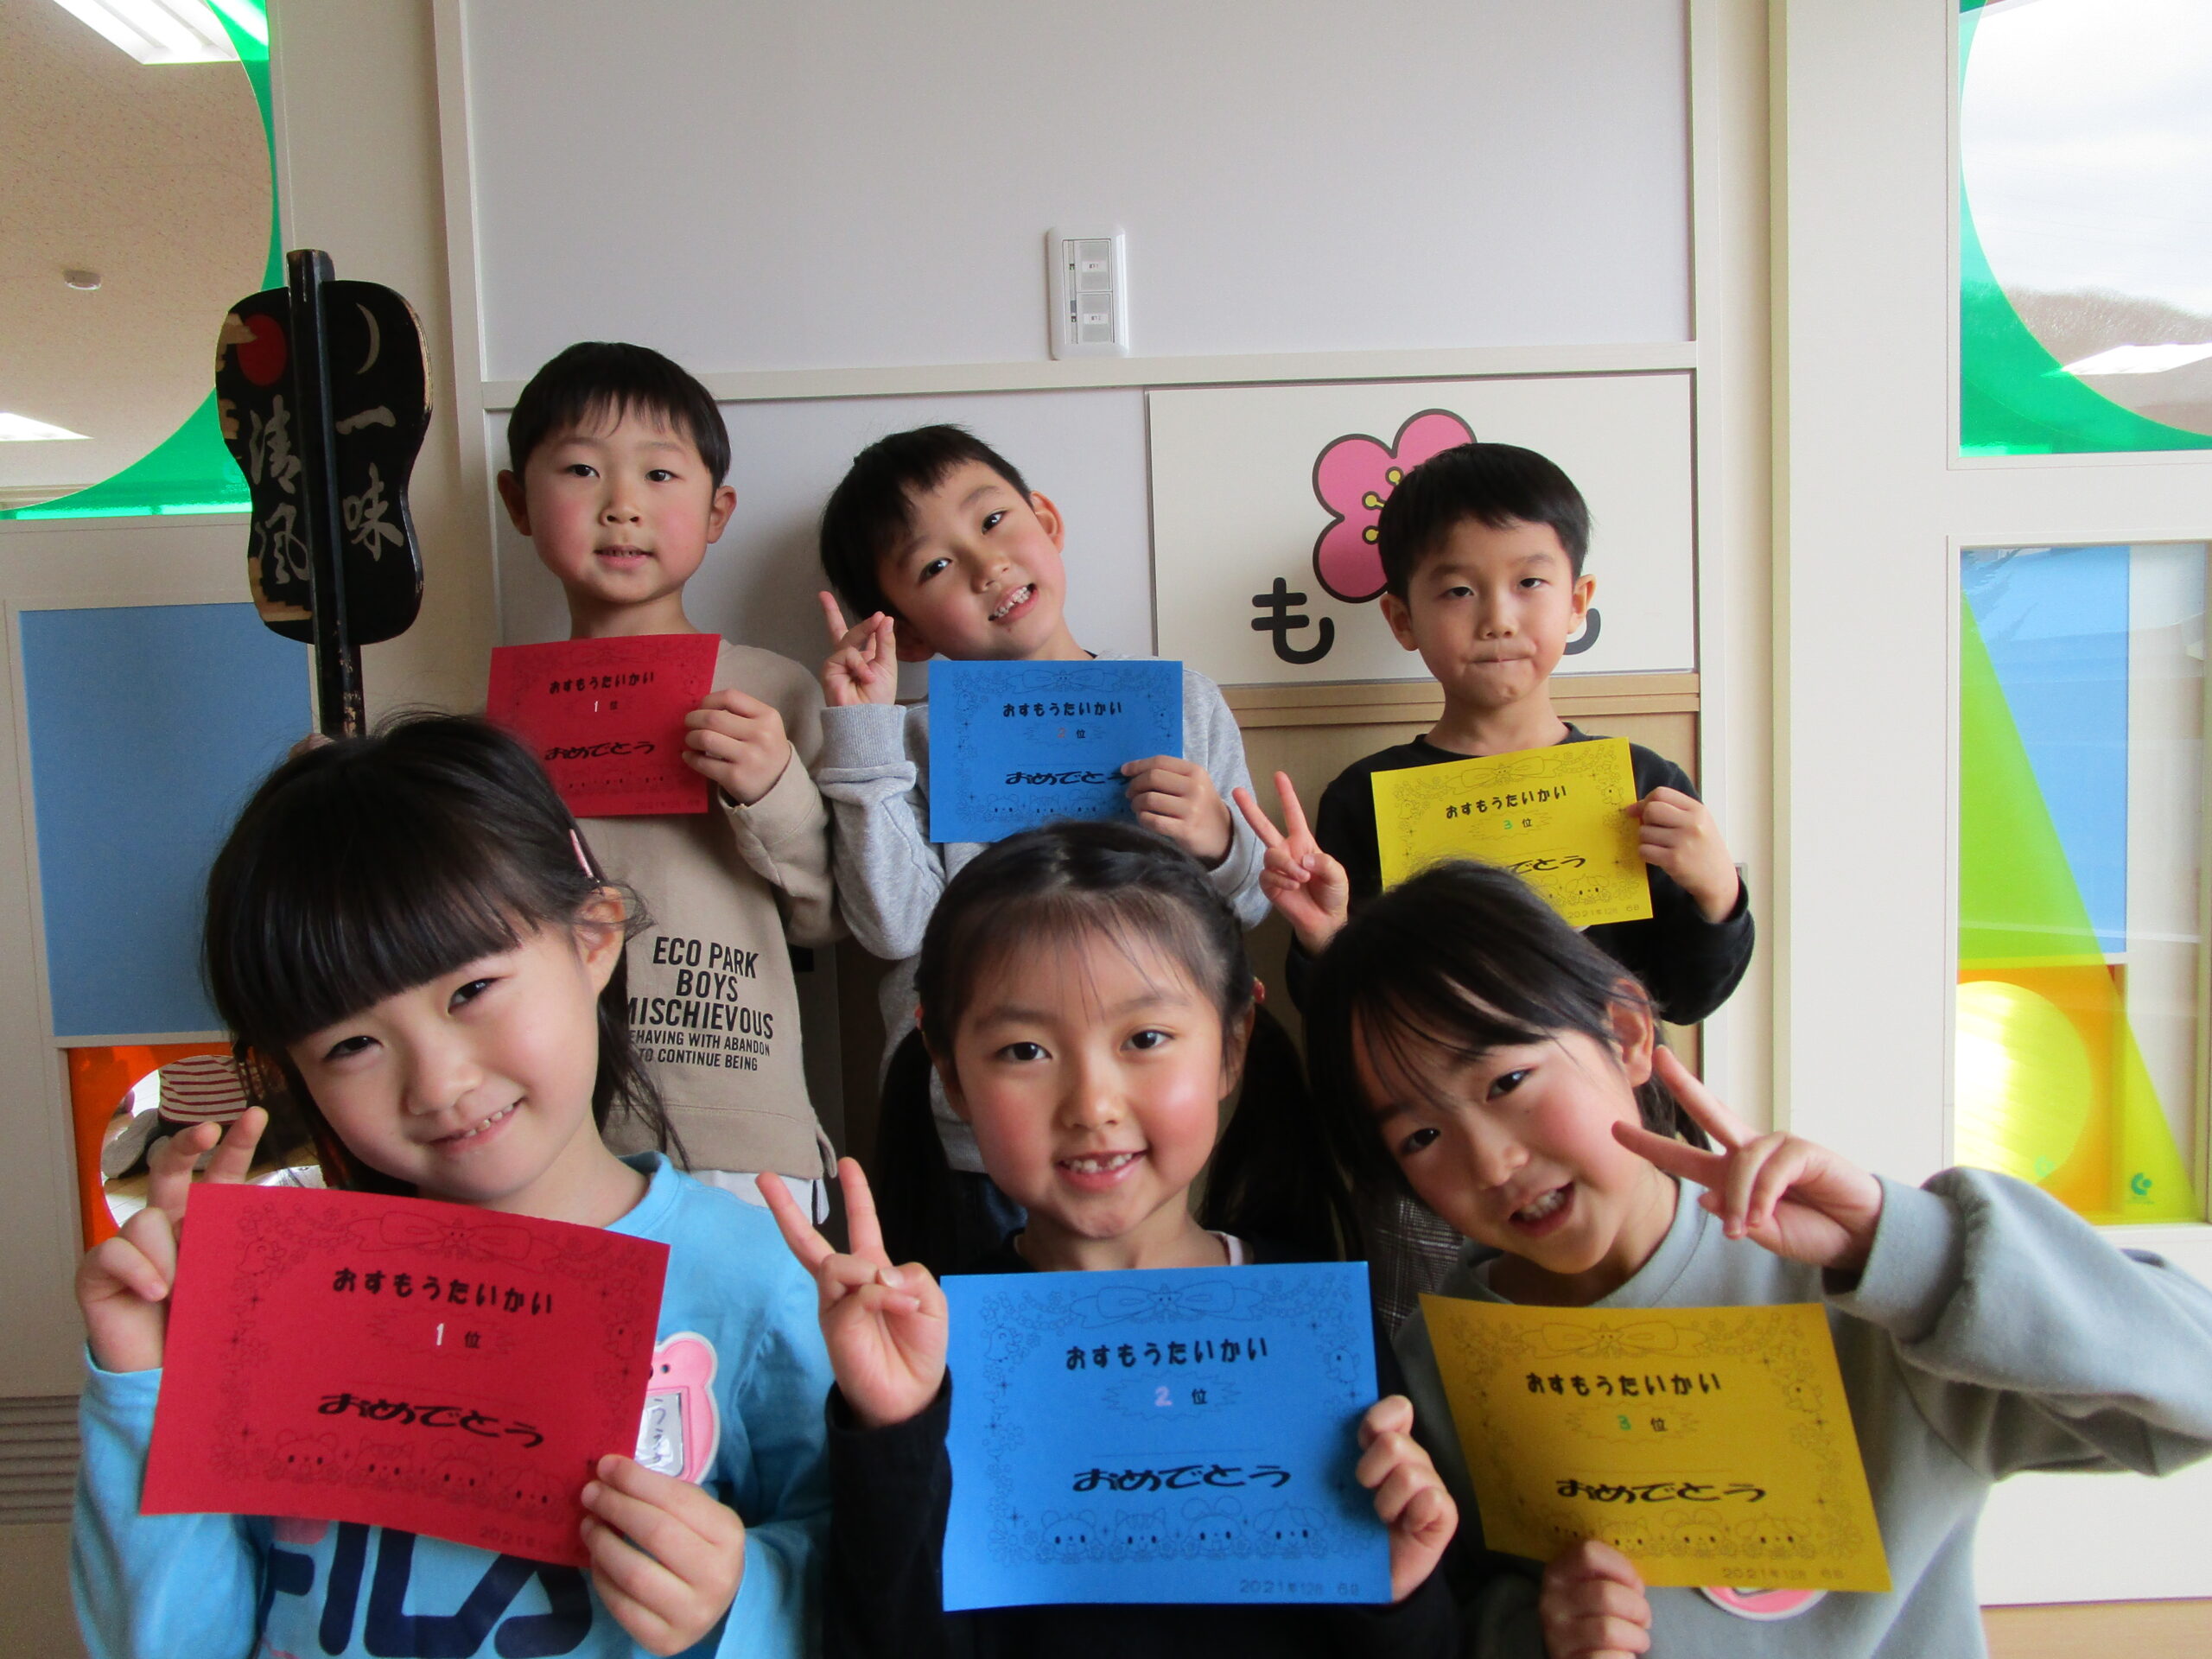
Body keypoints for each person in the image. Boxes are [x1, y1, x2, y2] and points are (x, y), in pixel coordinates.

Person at [1297, 858, 2212, 1659]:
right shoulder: (1440, 1363)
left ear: (1627, 1034)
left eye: (1507, 1080)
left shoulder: (1871, 1287)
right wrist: (1538, 1633)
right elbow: (1457, 1615)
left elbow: (2189, 1394)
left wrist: (1910, 1253)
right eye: (1420, 1136)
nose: (1491, 1162)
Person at [72, 717, 833, 1659]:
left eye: (471, 991)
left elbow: (872, 1583)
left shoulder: (755, 1280)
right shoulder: (274, 1307)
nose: (437, 1084)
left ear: (594, 936)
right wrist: (147, 1381)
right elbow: (168, 1645)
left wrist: (742, 1598)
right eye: (352, 1044)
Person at [757, 821, 1461, 1657]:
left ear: (1232, 1043)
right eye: (1024, 1050)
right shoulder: (926, 1352)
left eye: (1145, 1039)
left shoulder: (1318, 1333)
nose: (1092, 1104)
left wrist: (1397, 1594)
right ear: (950, 1073)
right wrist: (894, 1433)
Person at [1249, 442, 1753, 1324]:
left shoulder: (1638, 781)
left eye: (1529, 583)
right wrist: (1324, 938)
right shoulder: (1367, 797)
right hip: (1440, 1156)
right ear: (1402, 618)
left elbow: (1683, 992)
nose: (1496, 618)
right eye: (1457, 591)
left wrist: (1718, 894)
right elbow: (1348, 1025)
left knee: (1642, 1333)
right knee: (1447, 1348)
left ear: (1578, 602)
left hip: (1611, 1132)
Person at [813, 425, 1267, 1265]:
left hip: (1135, 1114)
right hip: (966, 1128)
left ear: (1047, 521)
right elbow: (894, 928)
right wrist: (864, 735)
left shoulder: (1179, 703)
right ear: (908, 632)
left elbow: (1246, 909)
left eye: (992, 521)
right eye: (934, 566)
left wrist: (1218, 844)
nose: (985, 566)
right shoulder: (906, 740)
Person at [499, 341, 838, 1217]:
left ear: (717, 511)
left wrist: (772, 789)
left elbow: (829, 913)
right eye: (581, 470)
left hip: (736, 1111)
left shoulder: (771, 692)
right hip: (544, 1129)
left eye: (659, 475)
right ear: (517, 502)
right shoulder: (496, 725)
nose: (622, 506)